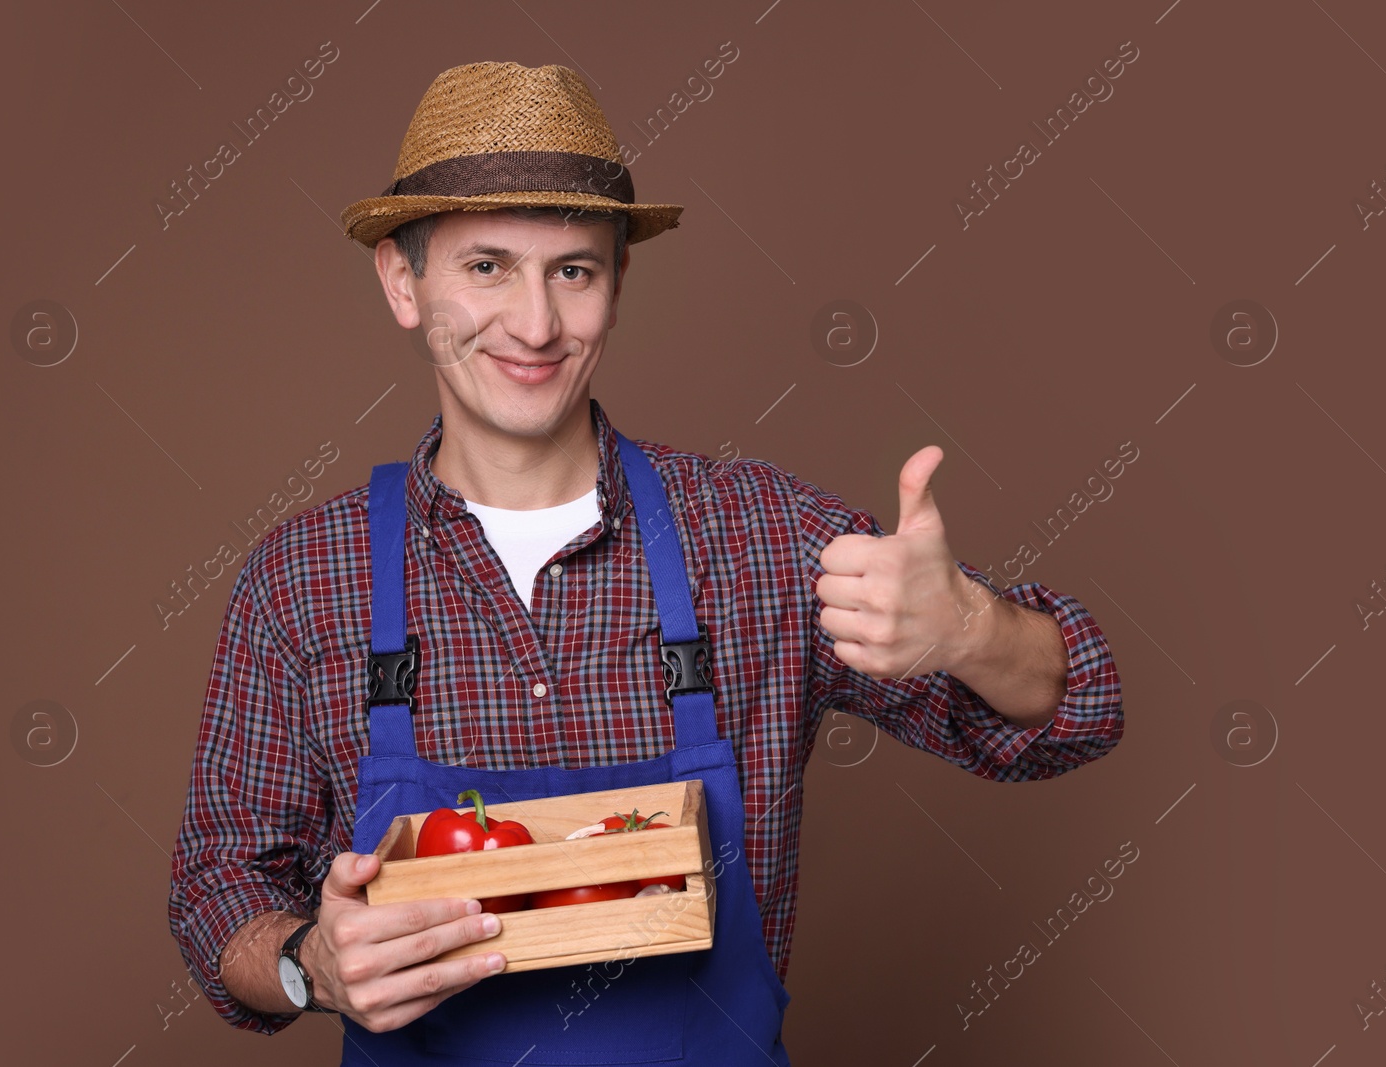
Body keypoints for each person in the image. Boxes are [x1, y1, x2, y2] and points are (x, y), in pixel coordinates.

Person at [168, 61, 1123, 1065]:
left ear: (617, 282)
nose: (535, 324)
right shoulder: (306, 577)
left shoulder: (756, 537)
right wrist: (308, 963)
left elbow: (1075, 712)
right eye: (486, 267)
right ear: (403, 282)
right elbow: (219, 881)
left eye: (572, 270)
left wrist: (972, 629)